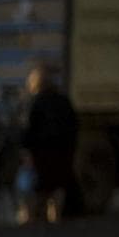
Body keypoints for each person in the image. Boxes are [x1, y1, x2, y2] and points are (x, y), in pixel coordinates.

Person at [21, 62, 80, 221]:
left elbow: (30, 129)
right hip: (62, 151)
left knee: (39, 187)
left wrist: (27, 151)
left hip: (42, 152)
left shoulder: (37, 103)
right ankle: (56, 217)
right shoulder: (63, 101)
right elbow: (73, 126)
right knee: (58, 186)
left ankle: (35, 218)